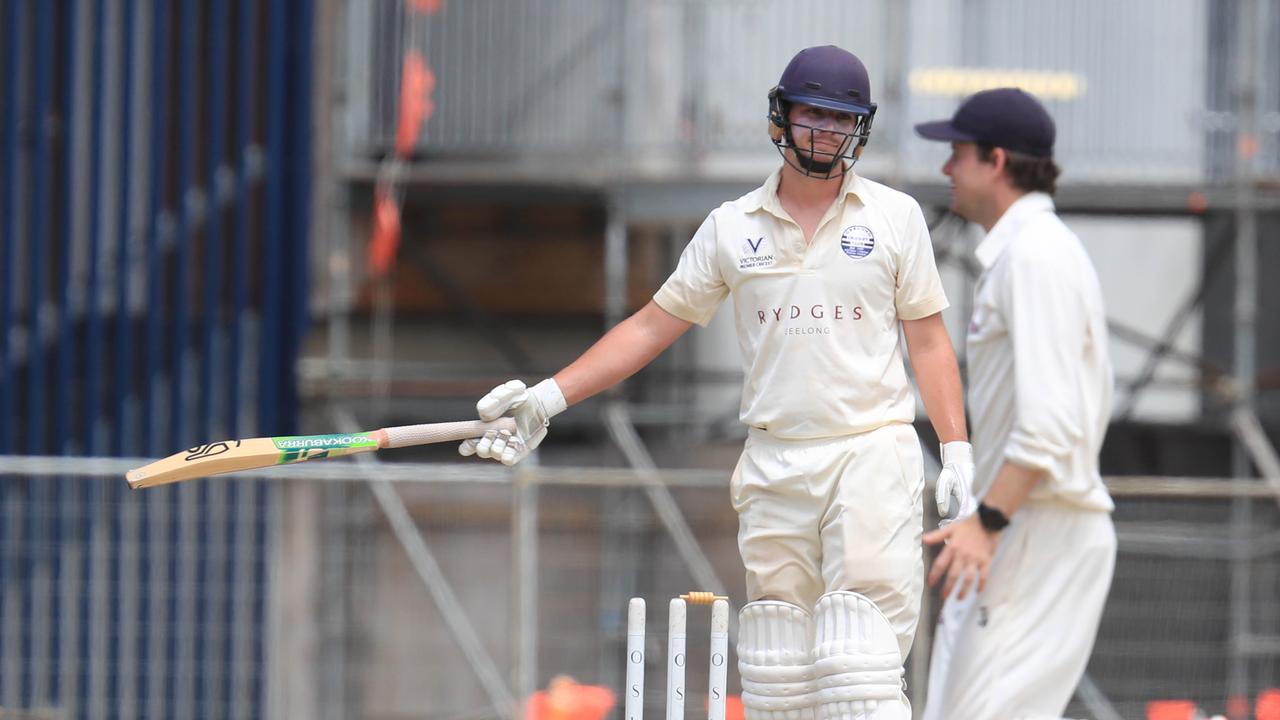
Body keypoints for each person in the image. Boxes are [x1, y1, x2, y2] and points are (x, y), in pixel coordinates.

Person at [462, 45, 975, 720]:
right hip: (775, 459)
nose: (824, 131)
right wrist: (548, 398)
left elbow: (929, 338)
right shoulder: (731, 229)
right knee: (776, 673)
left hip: (869, 449)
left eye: (839, 118)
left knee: (858, 664)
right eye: (810, 115)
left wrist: (957, 449)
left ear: (860, 127)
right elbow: (650, 326)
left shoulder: (894, 218)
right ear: (779, 119)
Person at [914, 88, 1117, 720]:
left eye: (957, 153)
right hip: (1024, 526)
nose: (947, 168)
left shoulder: (1036, 254)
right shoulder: (1024, 252)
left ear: (995, 160)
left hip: (1037, 528)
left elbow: (1051, 425)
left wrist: (989, 522)